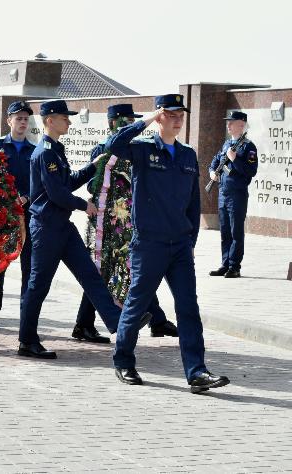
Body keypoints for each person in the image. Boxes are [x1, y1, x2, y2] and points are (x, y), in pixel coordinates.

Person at [108, 95, 230, 393]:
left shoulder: (187, 155)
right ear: (160, 116)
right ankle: (124, 361)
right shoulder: (143, 149)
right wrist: (147, 119)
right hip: (149, 244)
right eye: (171, 114)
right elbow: (114, 144)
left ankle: (197, 372)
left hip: (180, 247)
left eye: (180, 115)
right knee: (136, 304)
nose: (177, 120)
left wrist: (191, 241)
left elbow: (193, 202)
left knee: (188, 308)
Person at [19, 100, 133, 359]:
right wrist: (85, 206)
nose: (69, 122)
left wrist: (93, 166)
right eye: (64, 118)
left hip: (62, 226)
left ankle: (118, 323)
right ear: (50, 121)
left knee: (89, 274)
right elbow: (57, 193)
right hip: (46, 228)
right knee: (38, 286)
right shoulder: (45, 152)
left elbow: (67, 183)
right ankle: (27, 341)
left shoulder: (56, 150)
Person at [74, 104, 178, 343]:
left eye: (133, 121)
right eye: (127, 121)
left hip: (131, 219)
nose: (132, 125)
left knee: (139, 269)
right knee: (102, 270)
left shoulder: (136, 149)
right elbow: (93, 184)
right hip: (108, 222)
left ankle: (157, 319)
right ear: (114, 123)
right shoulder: (103, 148)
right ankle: (84, 323)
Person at [0, 101, 36, 331]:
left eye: (25, 119)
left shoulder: (34, 151)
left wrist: (26, 197)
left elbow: (39, 182)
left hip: (28, 215)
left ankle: (27, 314)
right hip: (1, 216)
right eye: (18, 118)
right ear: (9, 120)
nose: (22, 122)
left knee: (29, 267)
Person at [208, 111, 258, 279]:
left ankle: (234, 267)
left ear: (241, 125)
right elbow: (215, 161)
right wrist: (211, 172)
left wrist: (235, 159)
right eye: (228, 122)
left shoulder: (248, 147)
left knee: (236, 231)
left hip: (237, 194)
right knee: (225, 232)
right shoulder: (227, 144)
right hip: (223, 193)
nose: (228, 125)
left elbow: (251, 171)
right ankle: (225, 264)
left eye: (232, 122)